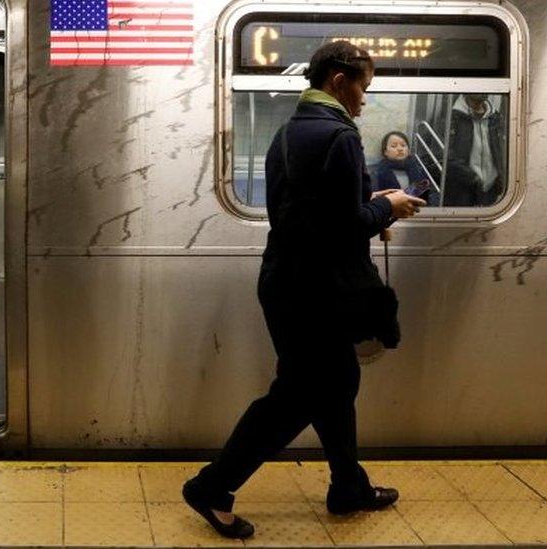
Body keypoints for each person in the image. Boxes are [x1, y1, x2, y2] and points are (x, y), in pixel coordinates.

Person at [182, 41, 426, 539]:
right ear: (339, 81)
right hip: (317, 291)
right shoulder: (340, 137)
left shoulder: (289, 133)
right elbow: (341, 228)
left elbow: (307, 211)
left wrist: (370, 198)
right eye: (364, 87)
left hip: (290, 281)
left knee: (335, 387)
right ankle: (212, 487)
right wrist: (387, 208)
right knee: (297, 397)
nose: (364, 99)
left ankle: (348, 487)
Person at [443, 93, 505, 207]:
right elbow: (444, 153)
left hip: (490, 188)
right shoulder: (452, 116)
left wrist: (501, 176)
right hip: (461, 188)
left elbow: (501, 150)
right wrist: (472, 178)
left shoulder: (495, 117)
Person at [372, 131, 437, 206]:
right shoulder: (378, 172)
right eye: (394, 146)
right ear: (385, 152)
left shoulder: (418, 169)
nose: (400, 149)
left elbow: (430, 194)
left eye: (403, 145)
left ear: (408, 150)